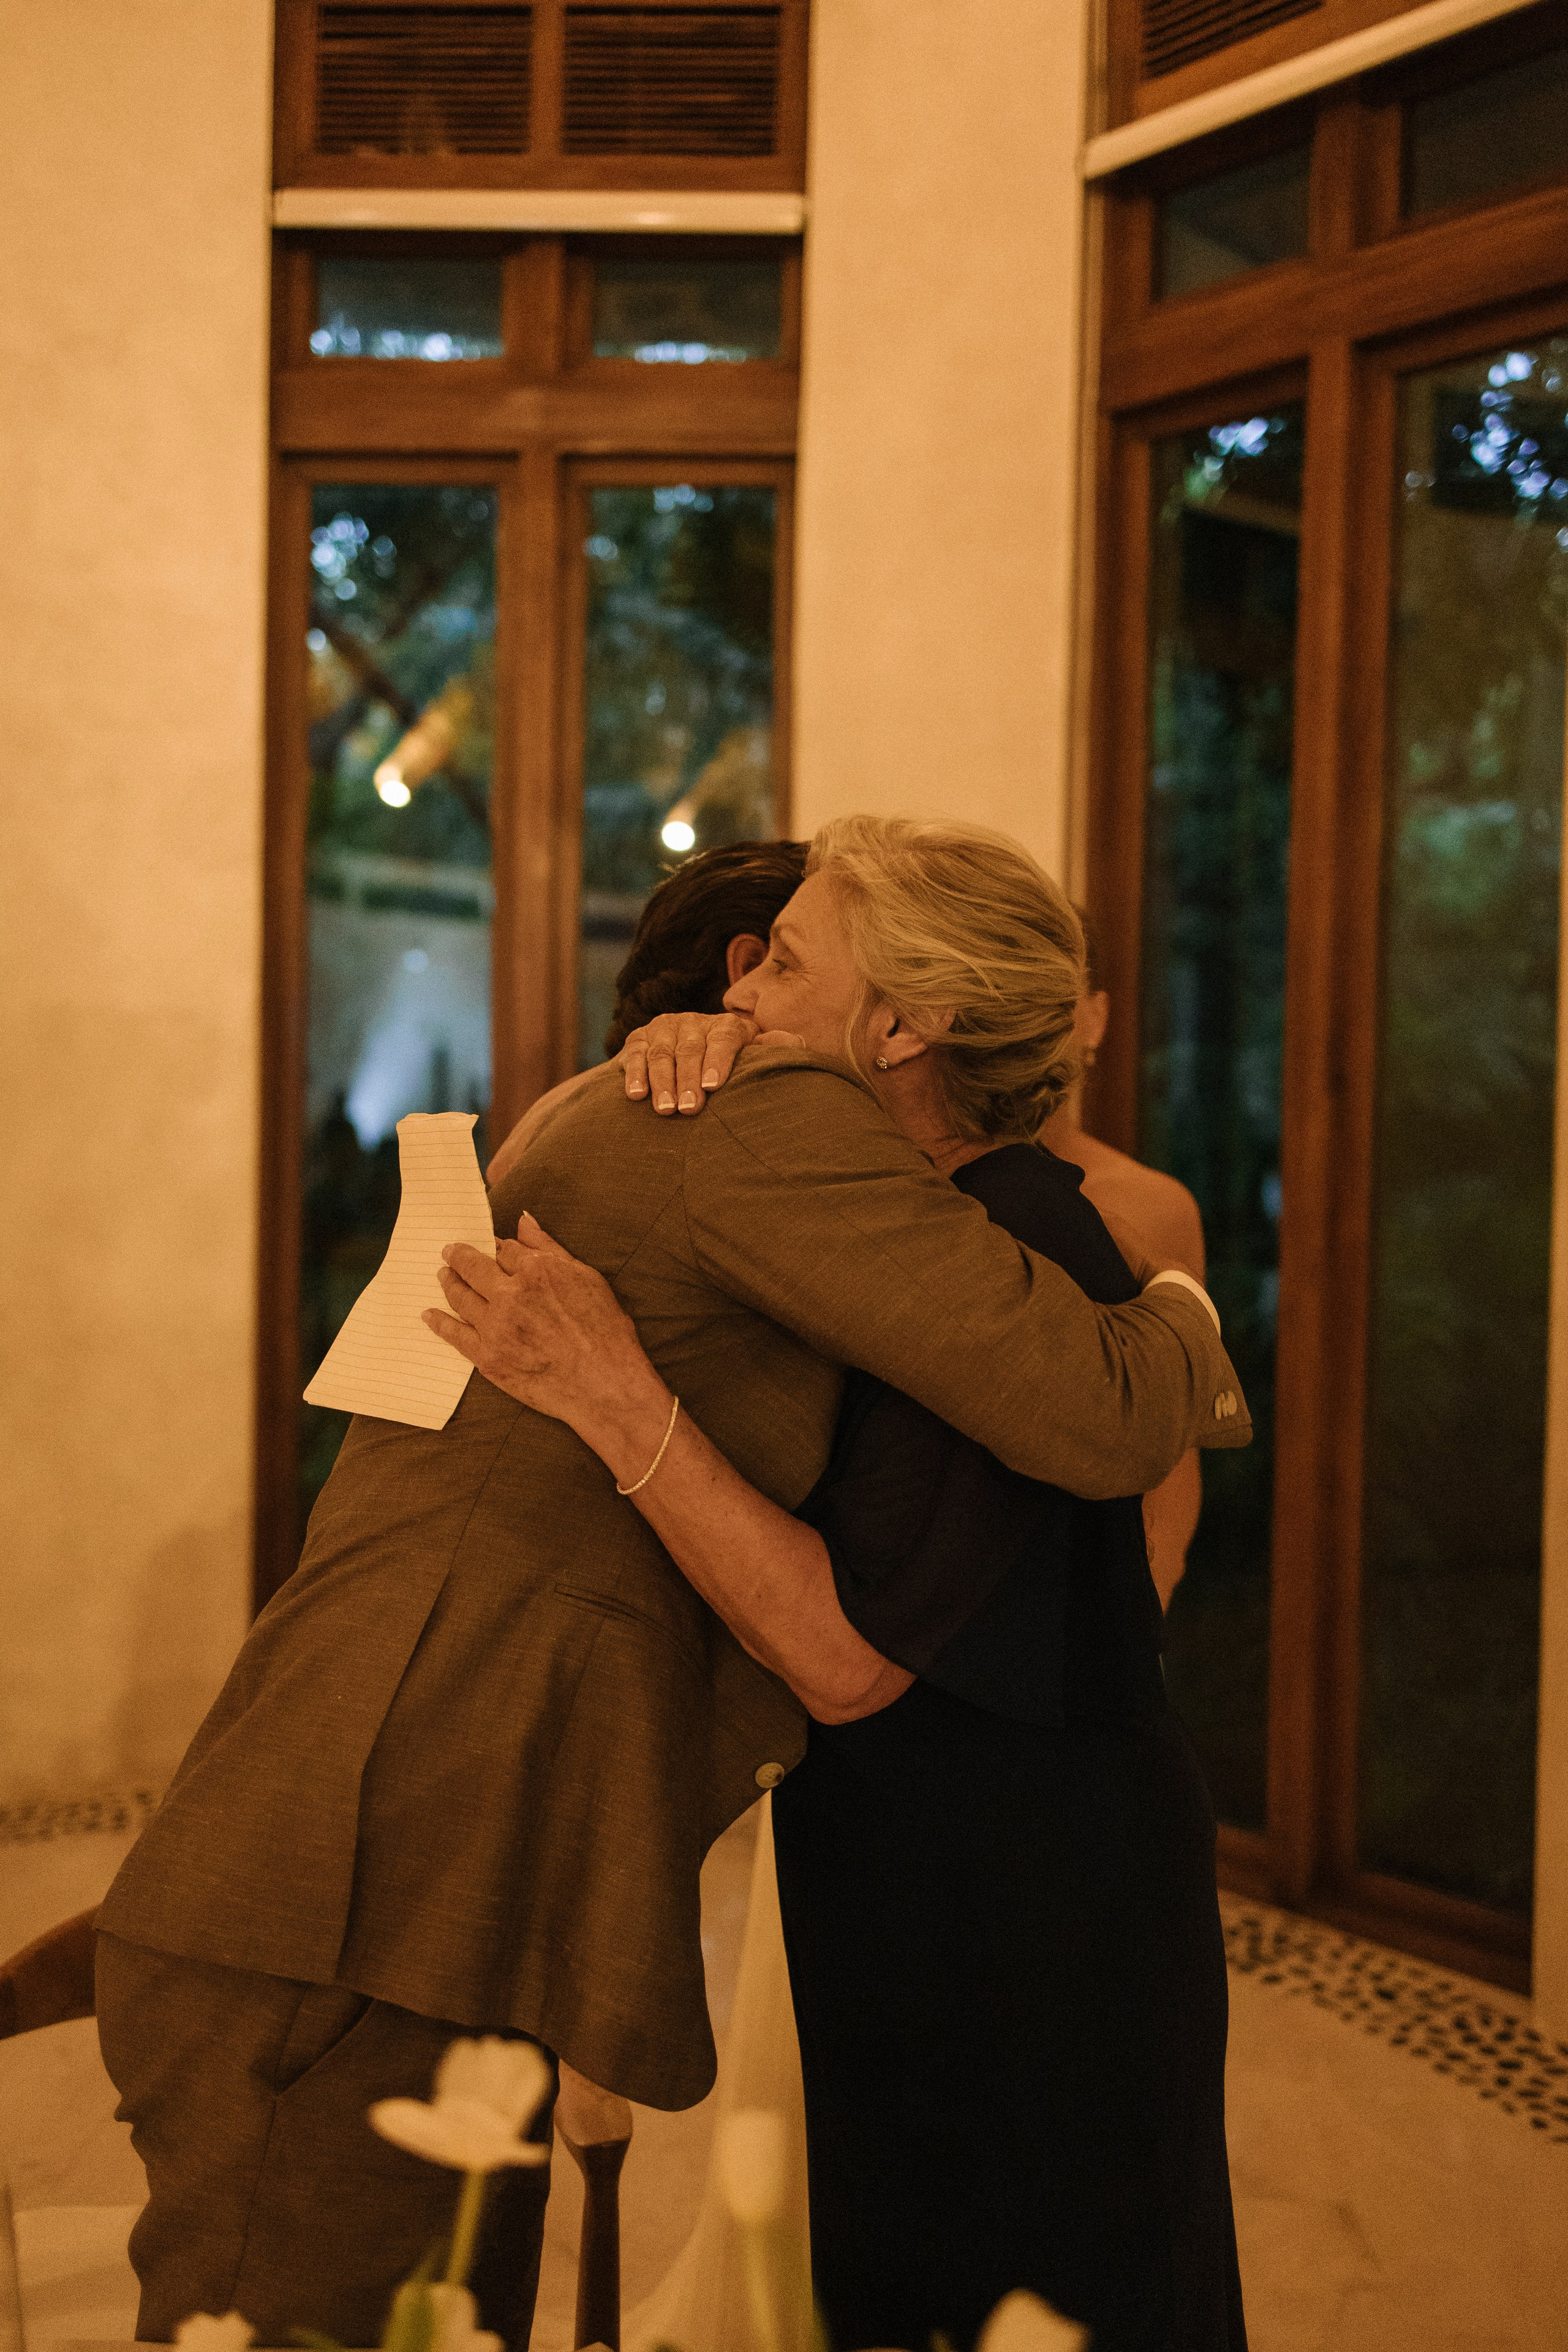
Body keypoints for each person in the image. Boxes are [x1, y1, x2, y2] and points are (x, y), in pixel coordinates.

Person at [95, 824, 1248, 2352]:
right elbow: (1071, 1433)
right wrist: (1178, 1299)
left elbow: (1075, 1438)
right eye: (744, 953)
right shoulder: (755, 1124)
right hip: (378, 1877)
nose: (737, 983)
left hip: (514, 1867)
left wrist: (1172, 1291)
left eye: (783, 956)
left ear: (901, 1024)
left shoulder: (829, 1160)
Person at [1039, 925, 1208, 1608]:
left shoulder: (1152, 1207)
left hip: (1097, 1573)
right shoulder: (920, 1186)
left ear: (1096, 1016)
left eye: (1057, 994)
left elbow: (1177, 1444)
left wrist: (1146, 1603)